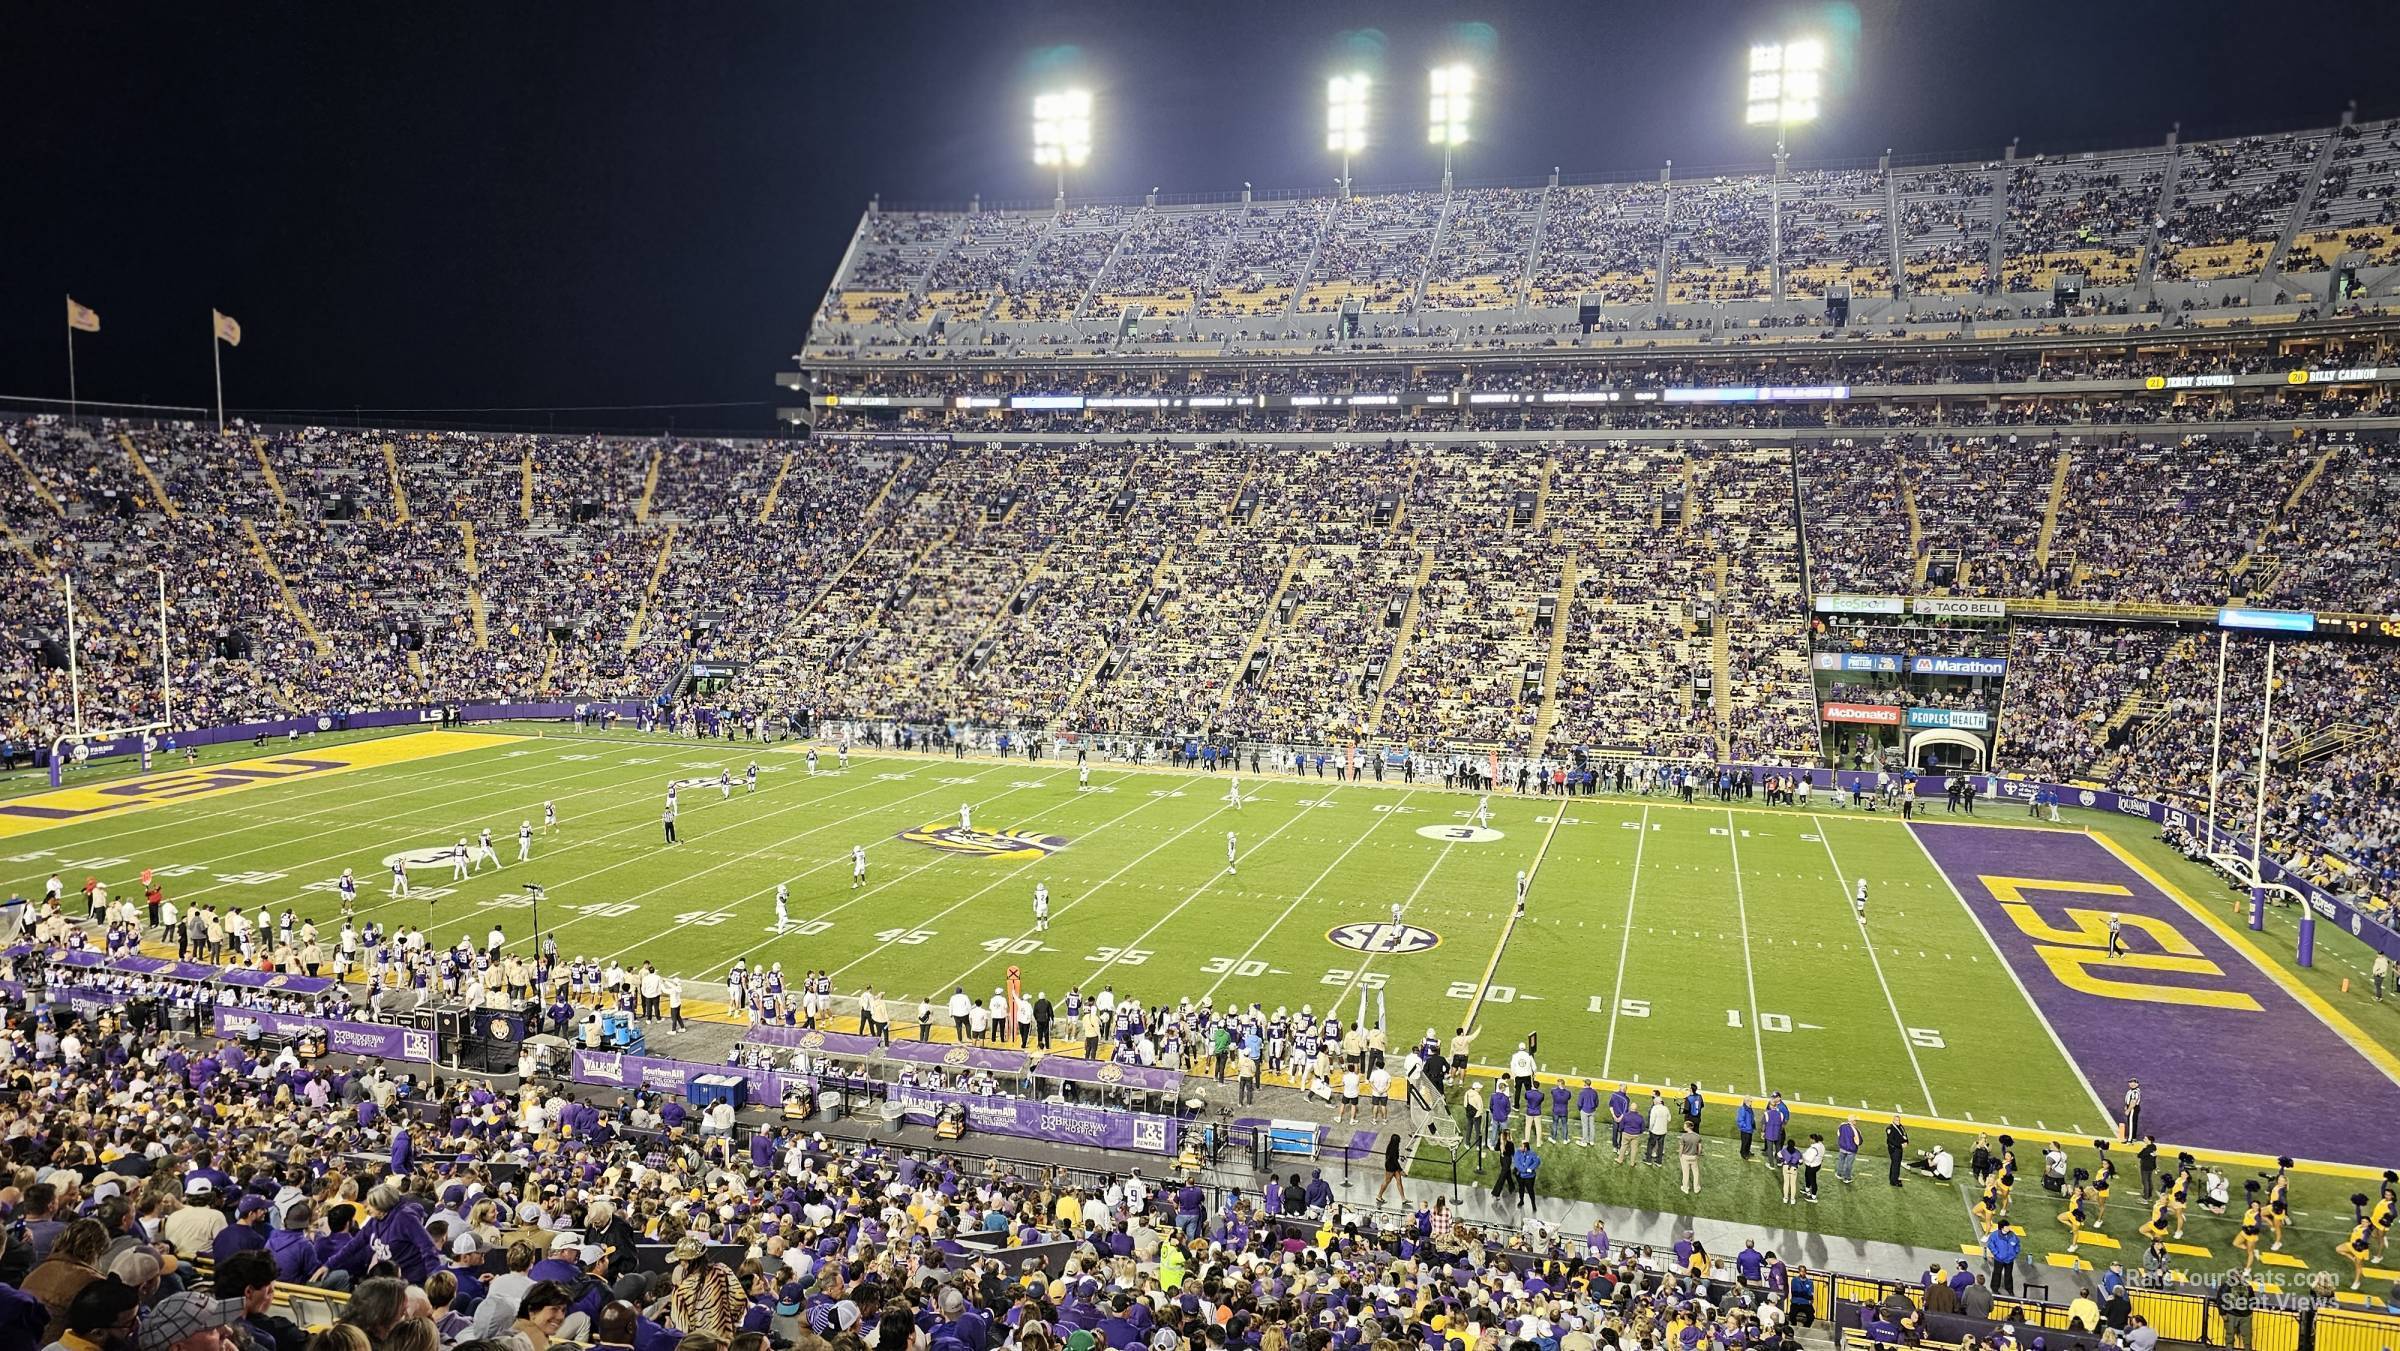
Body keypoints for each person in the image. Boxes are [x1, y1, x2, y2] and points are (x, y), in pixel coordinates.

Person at [1886, 1114, 1909, 1186]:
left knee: (1897, 1164)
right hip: (1894, 1149)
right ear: (1893, 1120)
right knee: (1895, 1164)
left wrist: (1906, 1142)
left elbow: (1904, 1134)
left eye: (1899, 1120)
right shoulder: (1890, 1128)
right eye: (1896, 1120)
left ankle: (1894, 1178)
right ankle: (1894, 1181)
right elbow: (1891, 1140)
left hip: (1899, 1148)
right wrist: (1900, 1145)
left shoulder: (1900, 1126)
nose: (1898, 1121)